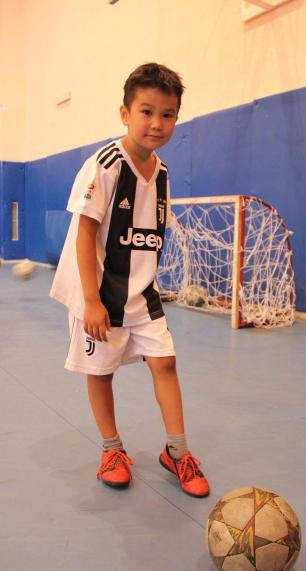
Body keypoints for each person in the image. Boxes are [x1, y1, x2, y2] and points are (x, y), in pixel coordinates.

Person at [50, 63, 209, 498]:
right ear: (125, 113)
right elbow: (85, 234)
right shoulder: (104, 166)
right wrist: (90, 300)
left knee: (165, 363)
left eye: (168, 114)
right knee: (101, 372)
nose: (157, 123)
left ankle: (177, 452)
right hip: (100, 293)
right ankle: (112, 450)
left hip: (142, 293)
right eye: (147, 111)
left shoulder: (163, 174)